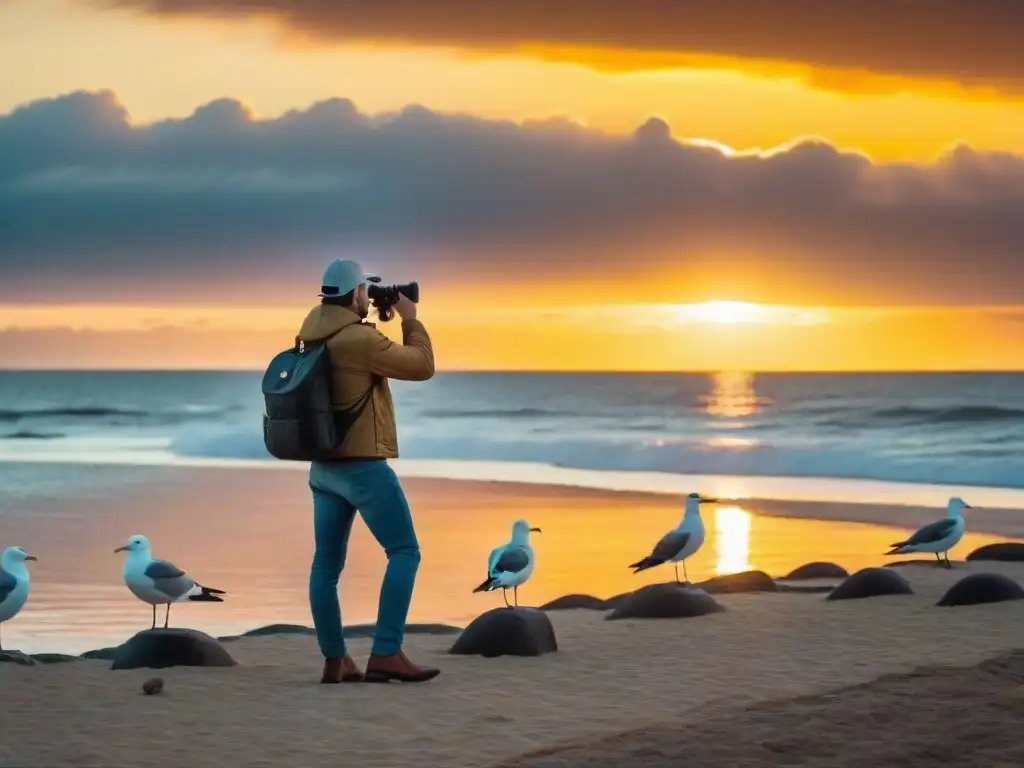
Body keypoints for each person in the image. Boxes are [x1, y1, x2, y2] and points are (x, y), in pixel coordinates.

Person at [296, 258, 439, 685]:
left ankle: (335, 660)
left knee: (325, 566)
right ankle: (387, 652)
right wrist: (410, 320)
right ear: (357, 293)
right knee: (404, 552)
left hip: (324, 467)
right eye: (366, 290)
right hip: (362, 468)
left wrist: (377, 317)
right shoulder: (358, 339)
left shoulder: (311, 331)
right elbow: (420, 365)